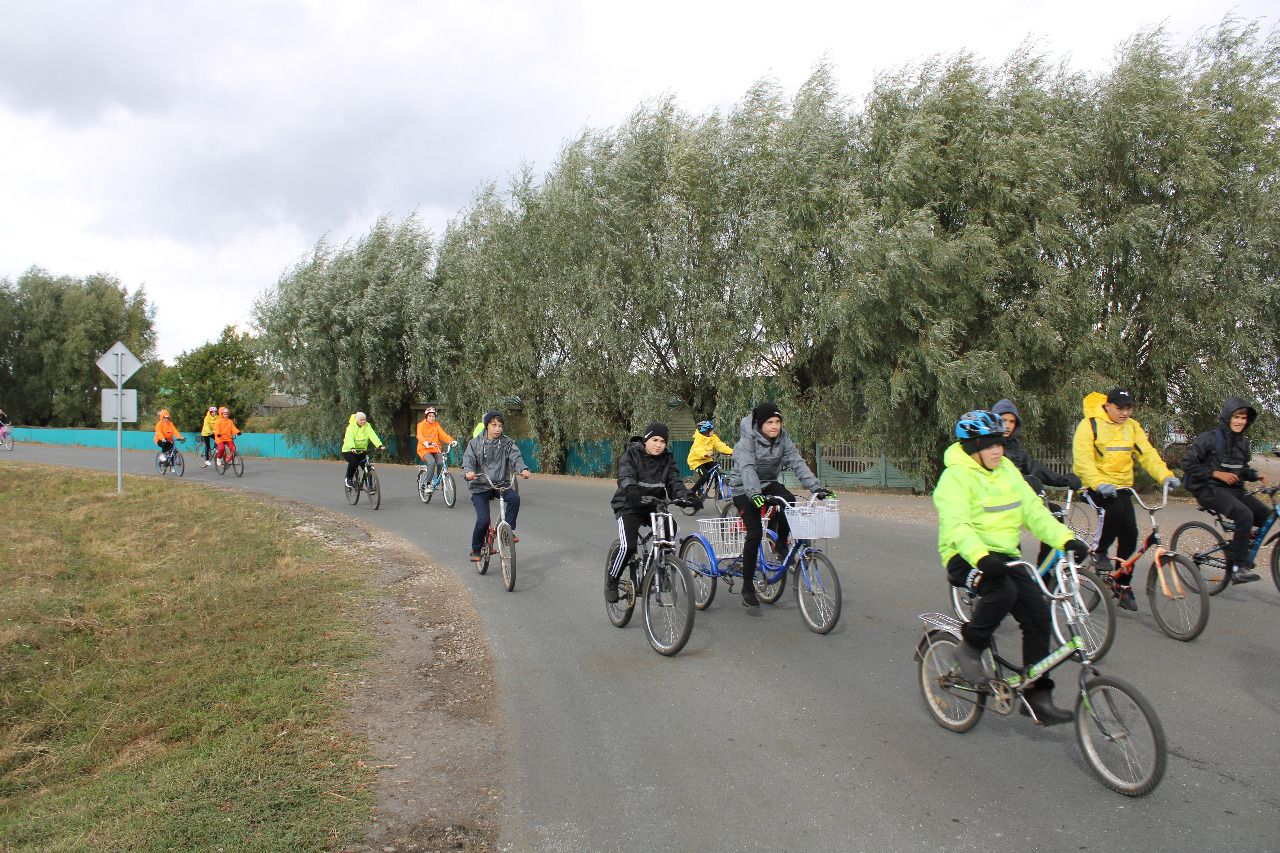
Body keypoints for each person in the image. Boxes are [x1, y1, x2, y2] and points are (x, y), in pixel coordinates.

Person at [934, 410, 1092, 726]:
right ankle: (970, 648)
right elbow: (957, 525)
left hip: (1004, 555)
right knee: (1002, 592)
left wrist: (1066, 539)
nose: (997, 450)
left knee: (1038, 612)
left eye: (1000, 444)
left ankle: (1037, 696)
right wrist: (980, 557)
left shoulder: (1007, 471)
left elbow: (1034, 512)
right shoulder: (954, 478)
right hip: (966, 556)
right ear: (971, 447)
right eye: (989, 444)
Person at [1072, 388, 1180, 611]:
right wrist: (1098, 482)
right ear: (1108, 406)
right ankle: (1099, 551)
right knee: (1113, 512)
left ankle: (1122, 585)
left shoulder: (1132, 427)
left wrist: (1166, 476)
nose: (1125, 413)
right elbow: (1082, 461)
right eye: (1120, 408)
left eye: (1129, 408)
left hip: (1122, 487)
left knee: (1131, 535)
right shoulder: (1090, 425)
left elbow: (1148, 454)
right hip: (1094, 485)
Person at [728, 402, 831, 608]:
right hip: (744, 487)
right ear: (759, 424)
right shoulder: (746, 441)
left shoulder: (783, 439)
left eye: (778, 422)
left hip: (768, 483)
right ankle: (747, 586)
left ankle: (781, 542)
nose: (775, 426)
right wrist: (754, 494)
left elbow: (797, 462)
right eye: (769, 422)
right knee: (755, 532)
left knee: (790, 501)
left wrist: (816, 488)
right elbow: (747, 468)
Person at [606, 423, 701, 602]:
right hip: (629, 504)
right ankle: (612, 580)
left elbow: (674, 483)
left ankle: (656, 568)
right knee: (628, 546)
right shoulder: (632, 454)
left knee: (671, 531)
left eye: (663, 441)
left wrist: (687, 496)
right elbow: (625, 474)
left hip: (654, 505)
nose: (659, 445)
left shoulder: (667, 459)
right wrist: (631, 489)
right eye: (655, 440)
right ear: (646, 440)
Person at [1179, 396, 1270, 583]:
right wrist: (1215, 474)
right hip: (1209, 490)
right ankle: (1237, 567)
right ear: (1228, 417)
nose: (1240, 421)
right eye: (1236, 417)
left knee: (1266, 515)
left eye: (1244, 418)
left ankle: (1240, 544)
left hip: (1234, 491)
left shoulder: (1243, 443)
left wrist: (1254, 475)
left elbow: (1240, 469)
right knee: (1244, 515)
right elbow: (1186, 463)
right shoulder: (1210, 439)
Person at [991, 399, 1083, 566]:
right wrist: (1026, 481)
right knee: (1010, 550)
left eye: (1012, 421)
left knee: (1054, 515)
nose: (1008, 425)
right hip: (998, 504)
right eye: (1003, 420)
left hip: (1020, 500)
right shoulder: (989, 446)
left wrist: (1064, 479)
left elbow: (1034, 468)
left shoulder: (1014, 445)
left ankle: (1047, 573)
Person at [462, 411, 531, 561]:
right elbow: (468, 460)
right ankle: (476, 549)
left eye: (500, 426)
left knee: (514, 498)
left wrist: (522, 469)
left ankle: (508, 531)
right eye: (494, 425)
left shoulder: (507, 443)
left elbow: (516, 457)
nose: (497, 429)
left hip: (500, 484)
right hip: (479, 486)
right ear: (487, 426)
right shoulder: (475, 444)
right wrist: (468, 472)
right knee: (483, 519)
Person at [686, 419, 733, 497]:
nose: (713, 432)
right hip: (696, 461)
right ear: (706, 432)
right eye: (711, 430)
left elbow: (721, 445)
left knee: (718, 470)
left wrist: (732, 451)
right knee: (704, 475)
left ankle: (718, 493)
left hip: (707, 460)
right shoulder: (698, 439)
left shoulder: (713, 437)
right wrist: (705, 454)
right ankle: (692, 491)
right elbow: (698, 449)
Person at [416, 406, 457, 493]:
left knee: (441, 462)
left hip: (435, 449)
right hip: (424, 449)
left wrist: (451, 441)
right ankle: (427, 484)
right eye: (430, 416)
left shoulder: (436, 425)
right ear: (426, 417)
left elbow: (442, 434)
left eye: (433, 416)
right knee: (431, 462)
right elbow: (419, 435)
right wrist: (425, 442)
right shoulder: (421, 425)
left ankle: (439, 481)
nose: (431, 418)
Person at [342, 412, 385, 488]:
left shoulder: (367, 426)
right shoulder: (351, 427)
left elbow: (373, 436)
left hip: (361, 450)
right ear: (357, 420)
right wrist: (352, 447)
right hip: (349, 450)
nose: (363, 421)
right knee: (354, 463)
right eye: (361, 420)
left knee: (367, 467)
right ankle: (348, 479)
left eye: (364, 420)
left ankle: (370, 486)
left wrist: (379, 445)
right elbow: (349, 438)